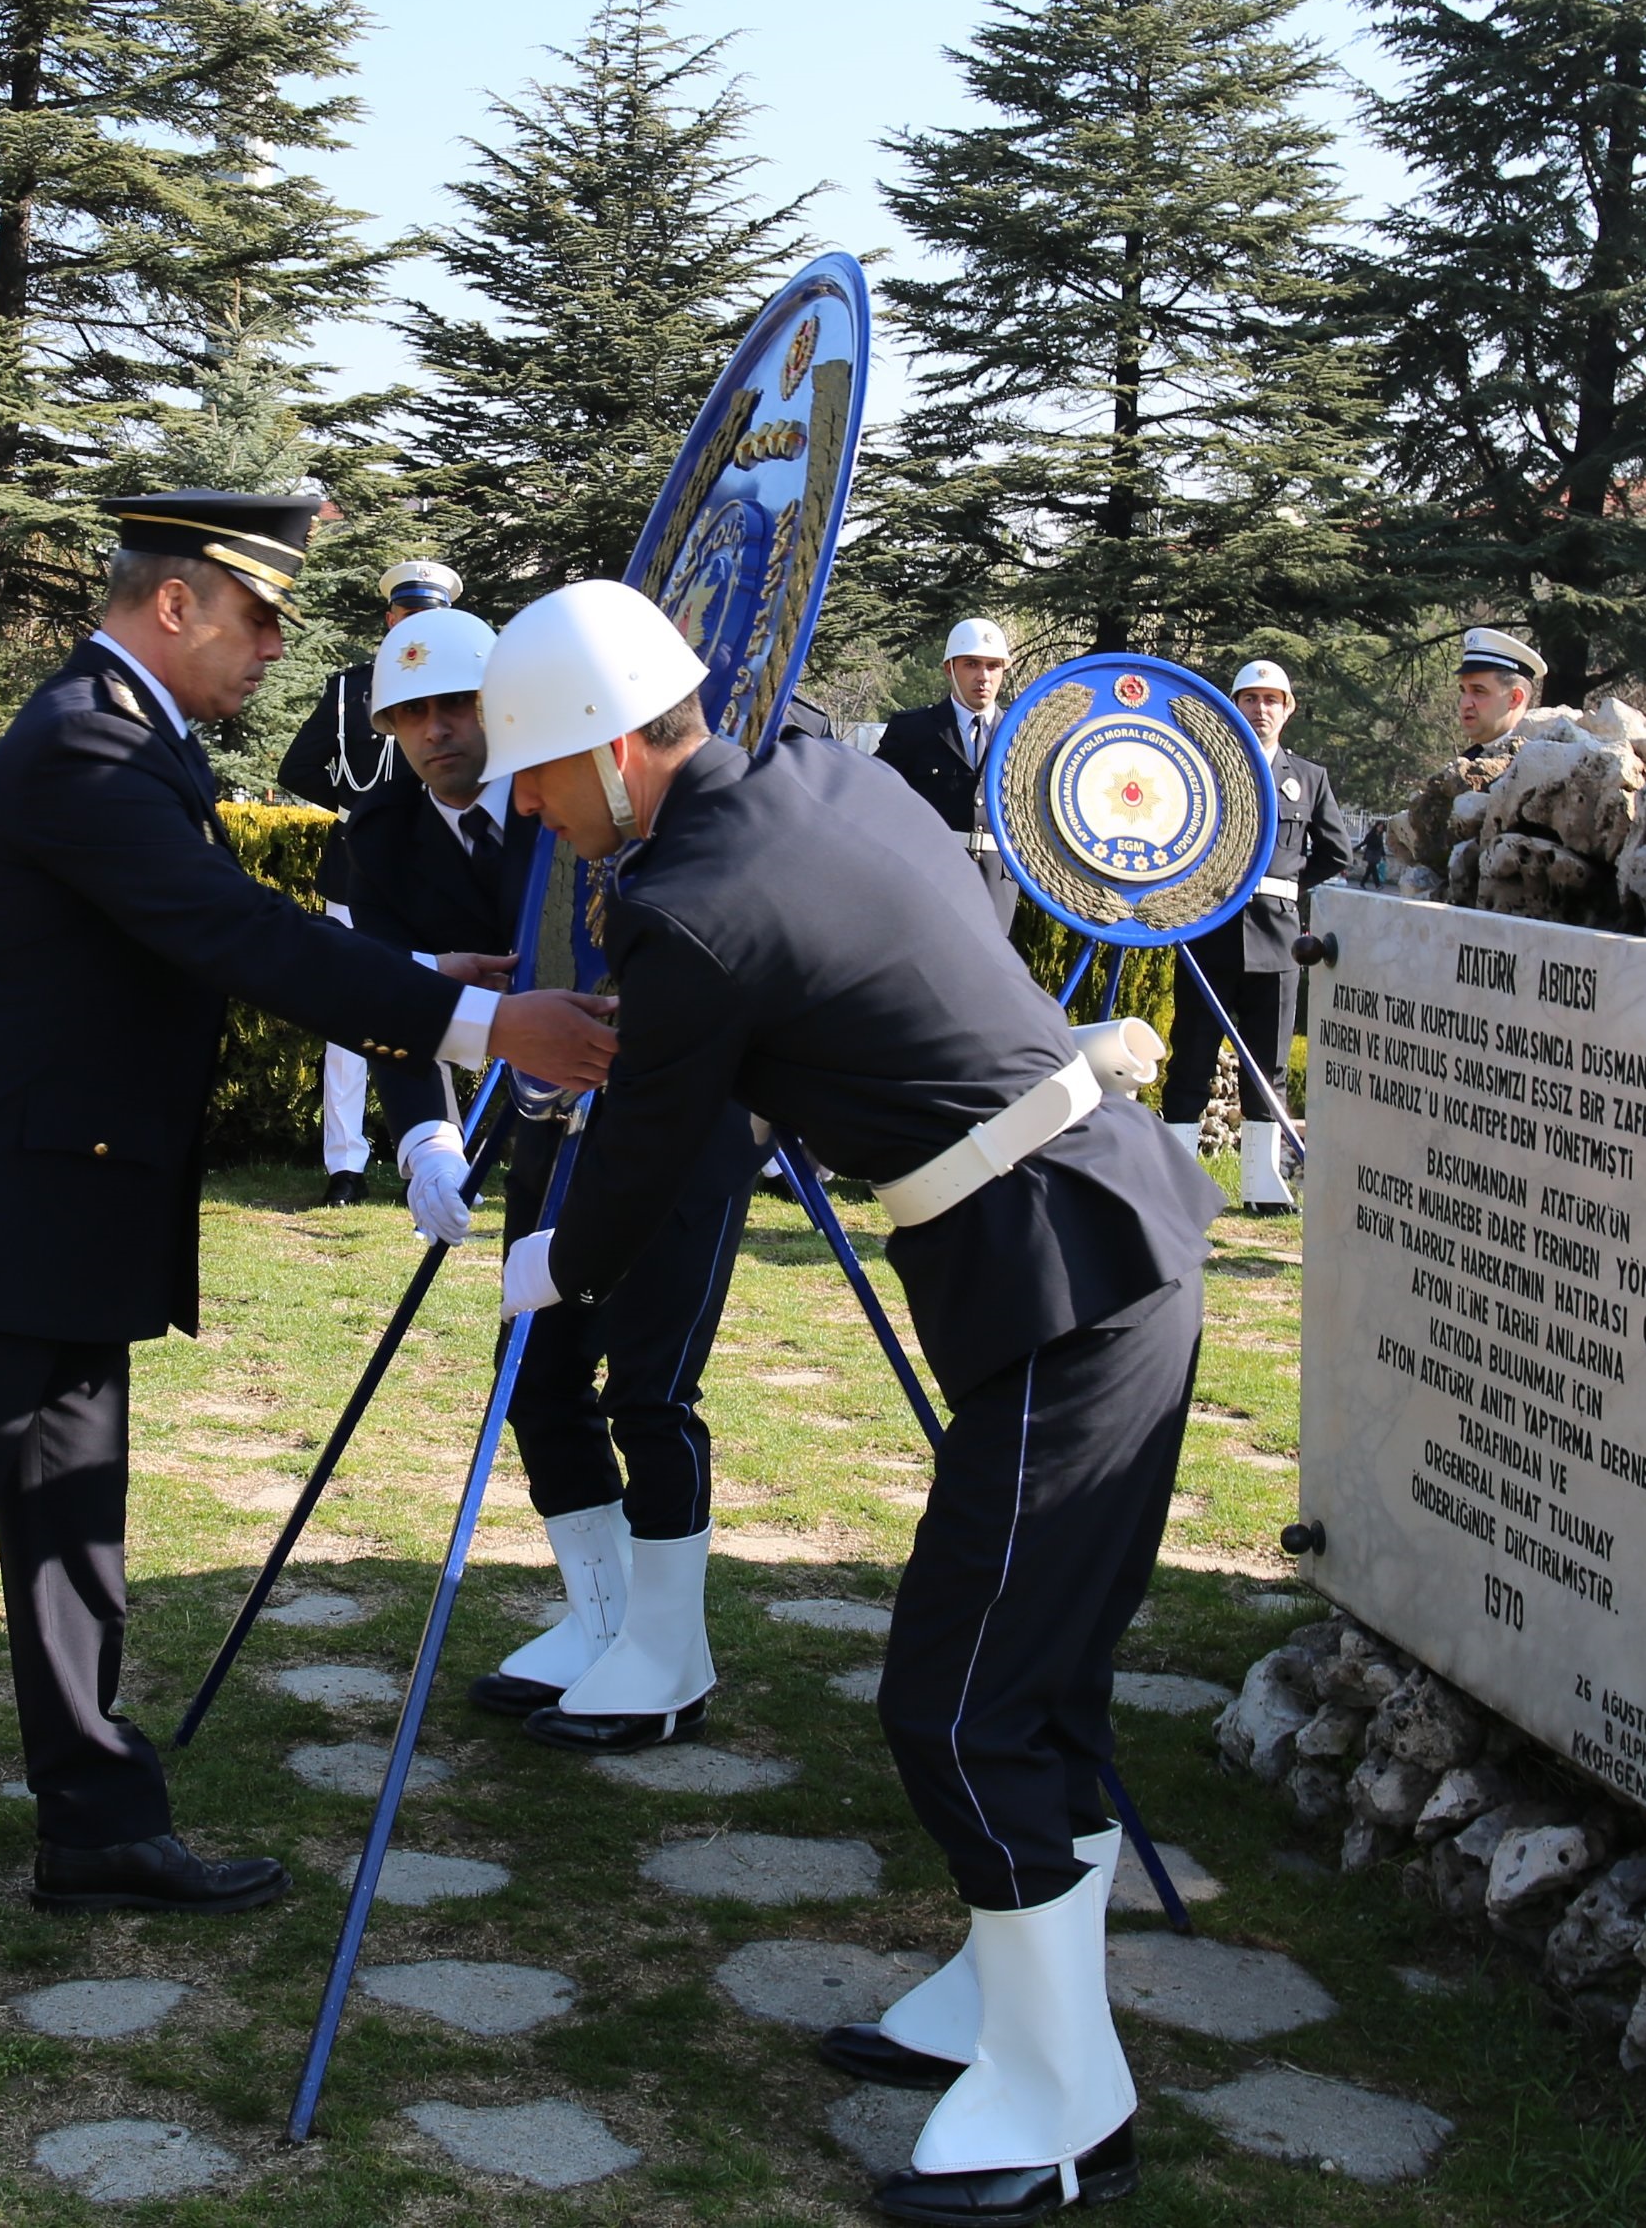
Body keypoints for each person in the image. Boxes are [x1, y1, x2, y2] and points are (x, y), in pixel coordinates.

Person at [0, 494, 616, 1975]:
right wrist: (482, 1020)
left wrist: (414, 968)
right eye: (258, 619)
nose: (275, 651)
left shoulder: (135, 739)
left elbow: (193, 927)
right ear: (175, 605)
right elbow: (226, 930)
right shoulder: (84, 743)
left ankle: (98, 1821)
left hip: (67, 1210)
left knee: (73, 1540)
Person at [477, 581, 1221, 2223]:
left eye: (535, 771)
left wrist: (554, 1263)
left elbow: (652, 1137)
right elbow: (778, 988)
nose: (528, 807)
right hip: (1097, 1241)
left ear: (612, 751)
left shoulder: (687, 904)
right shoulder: (823, 775)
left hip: (1063, 1276)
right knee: (1038, 1682)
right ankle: (1003, 1995)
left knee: (960, 1702)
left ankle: (1064, 2101)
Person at [340, 604, 761, 1753]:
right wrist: (425, 1138)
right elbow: (386, 997)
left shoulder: (583, 784)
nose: (437, 731)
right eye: (410, 715)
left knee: (651, 1384)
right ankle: (607, 1620)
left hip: (672, 1113)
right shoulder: (380, 834)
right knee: (535, 1373)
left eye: (456, 705)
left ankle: (669, 1655)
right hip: (547, 1120)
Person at [279, 556, 463, 1205]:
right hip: (356, 870)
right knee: (349, 1021)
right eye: (407, 614)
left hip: (431, 872)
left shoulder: (464, 692)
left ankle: (441, 1158)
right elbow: (297, 767)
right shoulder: (350, 691)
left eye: (428, 617)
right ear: (390, 619)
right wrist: (364, 812)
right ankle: (346, 1165)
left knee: (438, 1007)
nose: (415, 626)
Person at [1158, 661, 1358, 1217]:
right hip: (1209, 934)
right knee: (1191, 1056)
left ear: (1288, 709)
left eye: (1272, 700)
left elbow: (1337, 851)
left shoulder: (1309, 777)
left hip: (1277, 939)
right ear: (1234, 705)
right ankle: (1175, 1182)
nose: (1261, 709)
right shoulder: (1202, 768)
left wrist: (1286, 884)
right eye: (1250, 699)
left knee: (1268, 1065)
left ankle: (1262, 1184)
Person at [872, 617, 1021, 934]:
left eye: (993, 666)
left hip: (998, 884)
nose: (983, 676)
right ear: (949, 669)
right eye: (972, 664)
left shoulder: (1020, 736)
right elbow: (877, 801)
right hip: (930, 877)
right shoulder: (913, 730)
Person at [1391, 627, 1546, 896]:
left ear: (1515, 698)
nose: (1465, 702)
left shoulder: (1536, 764)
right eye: (1463, 690)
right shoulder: (1469, 761)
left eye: (1479, 691)